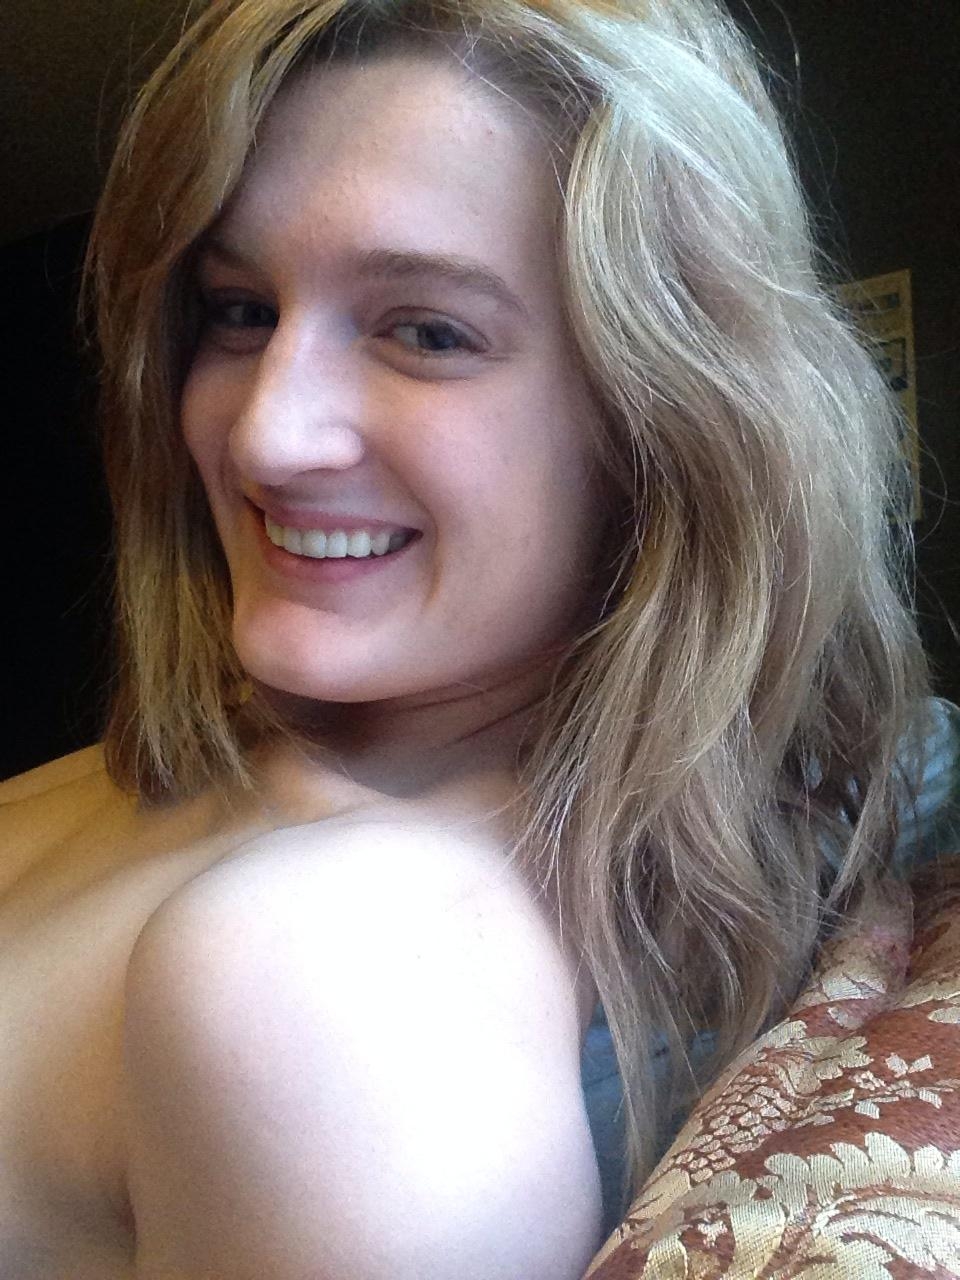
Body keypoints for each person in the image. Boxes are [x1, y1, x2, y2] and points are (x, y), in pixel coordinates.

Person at [1, 0, 952, 1275]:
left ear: (659, 421)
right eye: (239, 309)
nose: (266, 434)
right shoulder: (172, 777)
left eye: (427, 331)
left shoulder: (336, 976)